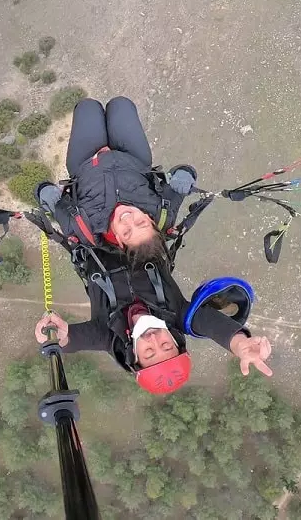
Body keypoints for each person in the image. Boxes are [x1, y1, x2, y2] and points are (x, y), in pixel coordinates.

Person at [32, 97, 273, 394]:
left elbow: (76, 339)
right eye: (165, 347)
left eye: (148, 353)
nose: (154, 340)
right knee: (121, 106)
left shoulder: (108, 335)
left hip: (88, 173)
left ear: (134, 357)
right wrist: (240, 344)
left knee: (87, 109)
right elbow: (210, 324)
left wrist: (59, 338)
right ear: (176, 340)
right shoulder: (177, 313)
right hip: (132, 164)